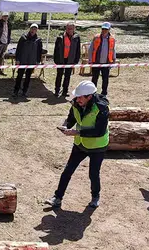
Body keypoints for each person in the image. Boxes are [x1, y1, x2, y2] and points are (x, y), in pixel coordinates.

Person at [44, 80, 110, 209]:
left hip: (98, 146)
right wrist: (65, 126)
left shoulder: (102, 108)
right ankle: (57, 198)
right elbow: (71, 118)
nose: (77, 99)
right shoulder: (76, 103)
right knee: (68, 170)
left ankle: (95, 197)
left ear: (89, 96)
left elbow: (99, 131)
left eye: (80, 97)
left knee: (93, 173)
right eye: (77, 96)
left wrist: (76, 132)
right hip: (80, 144)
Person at [13, 23, 43, 98]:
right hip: (22, 60)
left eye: (35, 29)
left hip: (32, 61)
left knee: (28, 77)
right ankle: (16, 91)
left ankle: (24, 91)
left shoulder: (38, 40)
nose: (33, 30)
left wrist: (38, 61)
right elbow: (18, 49)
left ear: (37, 30)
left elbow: (39, 51)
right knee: (19, 76)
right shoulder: (23, 37)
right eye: (32, 28)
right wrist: (17, 59)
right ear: (30, 29)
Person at [87, 22, 116, 96]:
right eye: (103, 29)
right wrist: (90, 60)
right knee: (94, 78)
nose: (104, 30)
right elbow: (91, 49)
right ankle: (92, 93)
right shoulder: (96, 37)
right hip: (96, 62)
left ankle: (104, 93)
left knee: (105, 79)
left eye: (106, 29)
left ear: (109, 29)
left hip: (106, 63)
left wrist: (114, 59)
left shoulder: (112, 39)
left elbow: (113, 49)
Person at [53, 22, 81, 98]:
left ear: (74, 29)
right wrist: (55, 59)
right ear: (66, 28)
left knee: (67, 76)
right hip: (61, 59)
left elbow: (78, 50)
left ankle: (65, 91)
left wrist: (76, 60)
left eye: (71, 28)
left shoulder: (76, 37)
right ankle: (57, 90)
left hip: (70, 60)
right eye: (68, 28)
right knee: (59, 75)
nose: (69, 30)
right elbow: (56, 49)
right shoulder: (60, 36)